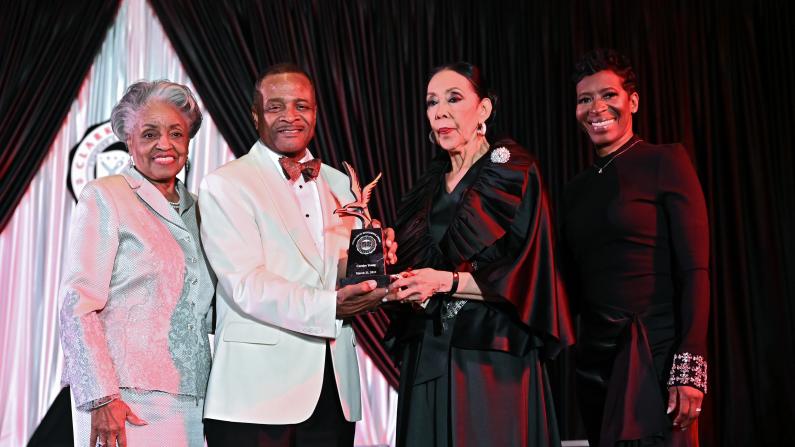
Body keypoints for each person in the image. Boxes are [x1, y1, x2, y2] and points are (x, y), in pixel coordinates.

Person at [198, 63, 397, 447]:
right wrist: (331, 307)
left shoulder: (341, 183)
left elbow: (338, 273)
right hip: (255, 396)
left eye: (301, 106)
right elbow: (247, 284)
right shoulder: (226, 184)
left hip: (332, 392)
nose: (290, 117)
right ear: (256, 115)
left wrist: (373, 265)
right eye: (276, 107)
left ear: (316, 113)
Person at [384, 62, 574, 447]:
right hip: (429, 353)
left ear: (484, 110)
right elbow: (415, 272)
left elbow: (529, 276)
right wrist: (390, 257)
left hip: (490, 357)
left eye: (454, 99)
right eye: (431, 102)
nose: (439, 111)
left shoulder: (515, 172)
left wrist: (446, 282)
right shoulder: (427, 186)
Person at [560, 49, 710, 446]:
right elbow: (565, 286)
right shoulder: (575, 191)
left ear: (634, 101)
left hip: (656, 358)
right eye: (584, 99)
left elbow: (695, 271)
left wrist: (689, 366)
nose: (597, 108)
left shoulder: (666, 161)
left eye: (608, 95)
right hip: (595, 363)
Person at [59, 80, 215, 446]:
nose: (165, 144)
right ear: (129, 142)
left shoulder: (202, 210)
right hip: (125, 399)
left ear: (189, 141)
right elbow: (77, 304)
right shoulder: (106, 195)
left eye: (176, 132)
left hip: (196, 397)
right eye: (149, 134)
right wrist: (102, 397)